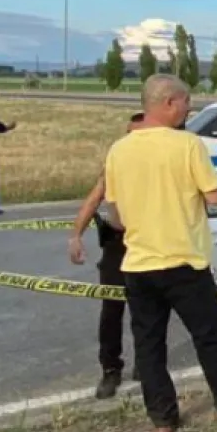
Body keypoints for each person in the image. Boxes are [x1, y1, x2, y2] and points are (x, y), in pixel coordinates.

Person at [104, 75, 217, 432]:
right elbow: (215, 196)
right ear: (168, 103)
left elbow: (115, 215)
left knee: (149, 347)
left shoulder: (120, 149)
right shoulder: (188, 145)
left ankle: (163, 419)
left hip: (139, 265)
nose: (189, 108)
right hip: (184, 261)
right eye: (186, 102)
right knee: (209, 337)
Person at [68, 112, 145, 400]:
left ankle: (146, 363)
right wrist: (76, 234)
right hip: (117, 243)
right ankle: (111, 369)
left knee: (146, 309)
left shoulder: (157, 164)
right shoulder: (116, 163)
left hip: (146, 243)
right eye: (129, 133)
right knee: (112, 310)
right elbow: (94, 198)